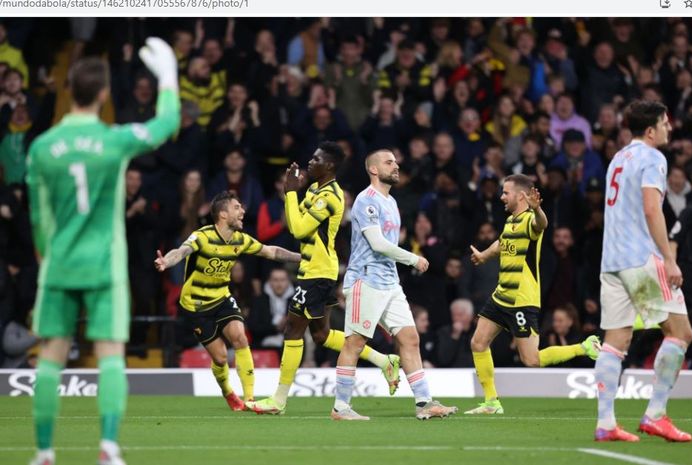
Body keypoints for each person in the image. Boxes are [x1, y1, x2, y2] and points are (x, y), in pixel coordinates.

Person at [26, 38, 180, 465]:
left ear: (68, 90)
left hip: (58, 264)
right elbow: (166, 124)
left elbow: (38, 219)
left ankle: (43, 452)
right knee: (111, 353)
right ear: (104, 94)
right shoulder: (115, 140)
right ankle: (108, 448)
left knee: (51, 357)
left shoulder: (41, 148)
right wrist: (168, 76)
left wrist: (46, 258)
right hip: (104, 264)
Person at [248, 142, 400, 415]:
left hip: (318, 273)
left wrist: (290, 194)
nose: (310, 161)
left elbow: (296, 228)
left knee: (292, 330)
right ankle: (384, 360)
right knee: (320, 335)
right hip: (315, 269)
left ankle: (278, 400)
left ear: (329, 166)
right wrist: (295, 192)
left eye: (316, 158)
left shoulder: (330, 195)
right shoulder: (315, 190)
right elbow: (295, 223)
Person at [330, 148, 458, 421]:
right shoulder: (367, 200)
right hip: (366, 279)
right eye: (389, 162)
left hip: (389, 282)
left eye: (396, 161)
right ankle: (340, 407)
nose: (396, 165)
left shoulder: (391, 202)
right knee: (355, 342)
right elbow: (377, 244)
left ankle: (424, 403)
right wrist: (413, 258)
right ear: (374, 169)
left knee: (410, 338)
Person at [594, 100, 692, 442]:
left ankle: (606, 423)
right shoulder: (654, 157)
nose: (669, 128)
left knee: (615, 342)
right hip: (641, 258)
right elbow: (653, 209)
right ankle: (655, 414)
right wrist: (669, 258)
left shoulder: (617, 159)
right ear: (650, 130)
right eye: (665, 123)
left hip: (612, 261)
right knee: (681, 332)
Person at [465, 174, 601, 415]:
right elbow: (502, 242)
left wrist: (538, 210)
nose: (501, 197)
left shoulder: (530, 220)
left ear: (520, 195)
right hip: (501, 296)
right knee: (478, 342)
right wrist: (485, 255)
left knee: (532, 360)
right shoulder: (510, 222)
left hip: (522, 301)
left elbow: (542, 225)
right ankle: (491, 402)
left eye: (506, 192)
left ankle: (584, 346)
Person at [154, 191, 300, 411]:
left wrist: (303, 258)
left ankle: (250, 399)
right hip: (196, 306)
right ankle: (228, 392)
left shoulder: (239, 239)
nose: (242, 211)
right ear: (223, 214)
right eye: (237, 207)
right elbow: (181, 251)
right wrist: (167, 261)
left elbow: (271, 251)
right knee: (221, 358)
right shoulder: (202, 236)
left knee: (240, 338)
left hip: (221, 297)